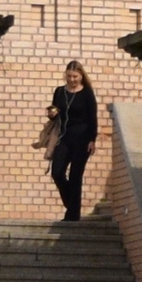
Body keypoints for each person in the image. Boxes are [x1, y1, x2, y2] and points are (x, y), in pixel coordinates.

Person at [43, 60, 97, 220]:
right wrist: (52, 114)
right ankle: (72, 203)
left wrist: (92, 139)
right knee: (57, 172)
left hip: (82, 139)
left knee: (75, 176)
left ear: (81, 76)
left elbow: (92, 117)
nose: (72, 80)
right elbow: (55, 112)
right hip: (63, 138)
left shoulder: (87, 93)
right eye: (69, 76)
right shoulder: (60, 91)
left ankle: (72, 215)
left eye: (75, 76)